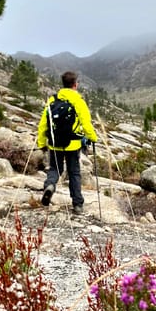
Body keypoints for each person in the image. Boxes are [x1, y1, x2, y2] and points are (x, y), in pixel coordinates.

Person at [36, 71, 97, 215]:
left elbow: (43, 124)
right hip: (73, 144)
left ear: (63, 84)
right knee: (74, 173)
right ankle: (77, 204)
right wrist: (93, 138)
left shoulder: (53, 100)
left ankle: (50, 186)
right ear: (75, 85)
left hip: (54, 143)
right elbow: (86, 123)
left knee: (54, 169)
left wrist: (41, 142)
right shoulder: (78, 101)